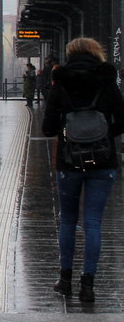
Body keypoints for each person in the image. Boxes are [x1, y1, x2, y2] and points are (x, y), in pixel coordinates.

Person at [41, 37, 124, 302]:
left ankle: (65, 279)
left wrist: (70, 132)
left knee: (67, 219)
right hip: (103, 161)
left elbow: (48, 128)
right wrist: (103, 136)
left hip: (69, 161)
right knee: (93, 222)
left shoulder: (60, 82)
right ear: (96, 53)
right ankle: (88, 284)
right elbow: (122, 121)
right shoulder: (108, 82)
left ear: (70, 54)